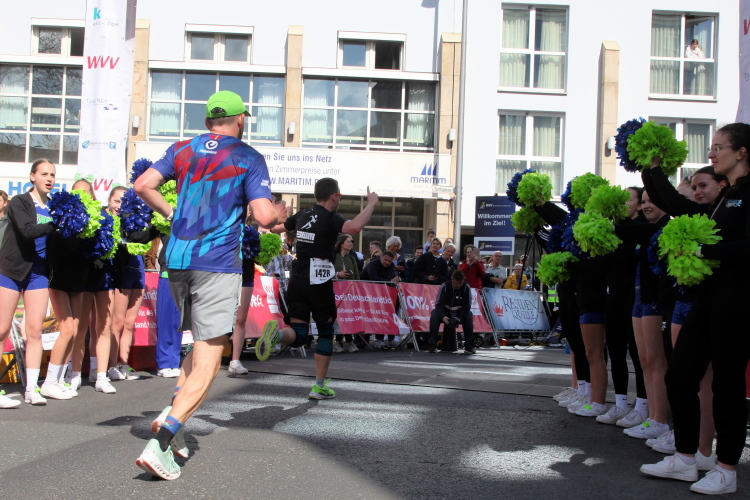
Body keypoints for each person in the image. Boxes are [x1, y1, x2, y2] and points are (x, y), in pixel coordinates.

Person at [133, 90, 286, 480]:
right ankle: (161, 440)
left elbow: (143, 185)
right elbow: (264, 216)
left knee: (199, 347)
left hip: (176, 260)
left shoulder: (183, 149)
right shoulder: (248, 156)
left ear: (207, 122)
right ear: (241, 119)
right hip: (216, 264)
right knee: (210, 362)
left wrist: (172, 213)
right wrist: (277, 213)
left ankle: (175, 418)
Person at [640, 124, 750, 495]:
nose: (711, 153)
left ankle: (726, 469)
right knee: (679, 376)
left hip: (738, 303)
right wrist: (652, 169)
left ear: (742, 152)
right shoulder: (726, 195)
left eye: (718, 146)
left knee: (727, 386)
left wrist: (704, 251)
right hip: (709, 300)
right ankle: (686, 459)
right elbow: (679, 205)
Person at [254, 178, 378, 400]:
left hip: (298, 278)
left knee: (300, 334)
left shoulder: (303, 214)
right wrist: (371, 203)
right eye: (340, 197)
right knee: (325, 332)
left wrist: (272, 210)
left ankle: (276, 335)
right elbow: (355, 227)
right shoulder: (330, 217)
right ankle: (318, 386)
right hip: (319, 281)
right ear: (334, 196)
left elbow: (274, 227)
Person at [0, 159, 55, 408]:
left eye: (52, 174)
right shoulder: (20, 201)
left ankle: (32, 388)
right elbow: (26, 230)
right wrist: (55, 224)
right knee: (2, 329)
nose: (49, 178)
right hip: (12, 269)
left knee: (34, 331)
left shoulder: (54, 206)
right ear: (32, 176)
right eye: (44, 174)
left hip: (38, 272)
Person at [427, 269, 475, 354]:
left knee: (469, 316)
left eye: (460, 283)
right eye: (456, 283)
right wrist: (443, 316)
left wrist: (460, 318)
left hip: (459, 312)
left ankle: (469, 346)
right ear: (452, 279)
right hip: (446, 311)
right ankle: (432, 345)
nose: (458, 285)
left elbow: (467, 307)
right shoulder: (444, 286)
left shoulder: (466, 288)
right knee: (434, 314)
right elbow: (439, 305)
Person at [332, 233, 360, 353]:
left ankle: (346, 341)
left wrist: (357, 288)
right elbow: (325, 271)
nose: (351, 243)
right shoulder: (333, 256)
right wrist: (337, 274)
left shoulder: (352, 258)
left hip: (349, 292)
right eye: (348, 241)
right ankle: (341, 342)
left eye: (352, 241)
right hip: (335, 291)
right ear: (341, 243)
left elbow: (356, 275)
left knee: (348, 316)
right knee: (338, 317)